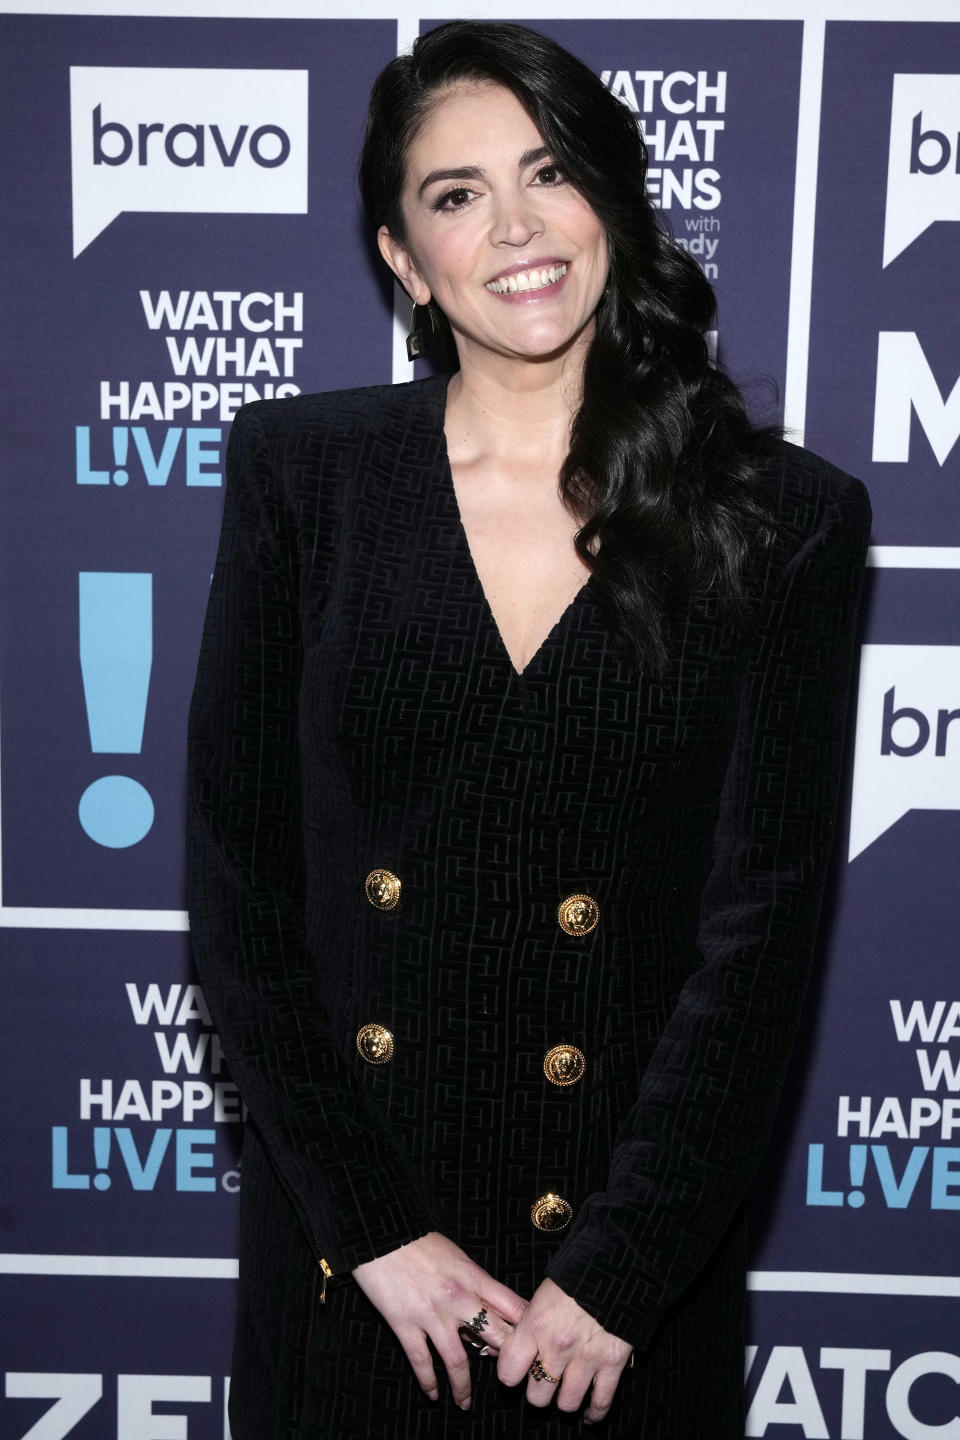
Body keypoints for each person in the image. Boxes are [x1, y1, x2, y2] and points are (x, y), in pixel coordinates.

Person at [187, 20, 871, 1439]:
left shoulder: (781, 519)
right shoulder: (302, 476)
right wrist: (369, 1231)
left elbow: (760, 940)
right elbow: (240, 886)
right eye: (456, 195)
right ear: (400, 255)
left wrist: (618, 1273)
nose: (516, 228)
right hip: (356, 1271)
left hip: (614, 1300)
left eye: (549, 172)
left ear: (611, 197)